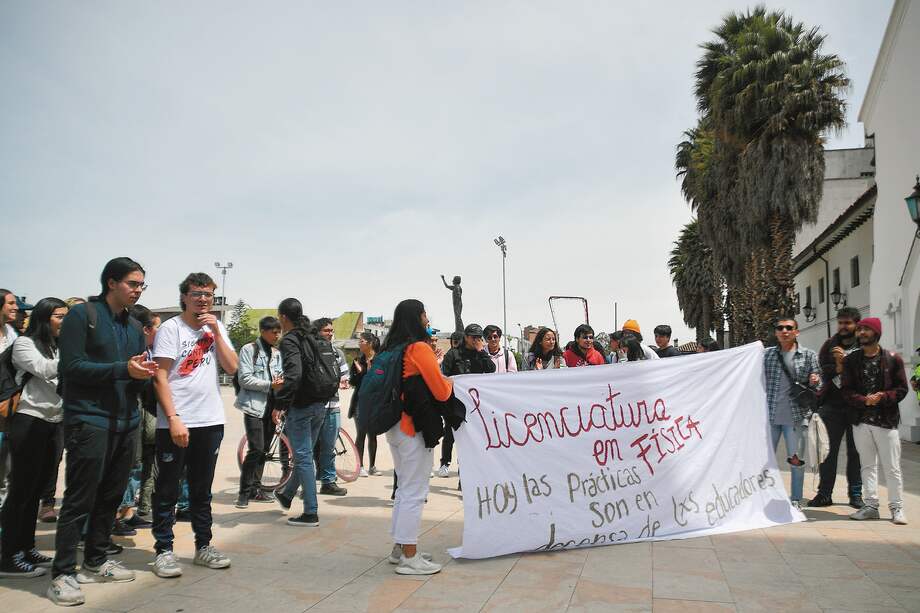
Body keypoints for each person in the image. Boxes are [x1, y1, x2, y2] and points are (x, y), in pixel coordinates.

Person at [48, 258, 155, 607]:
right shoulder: (84, 316)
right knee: (80, 498)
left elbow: (133, 372)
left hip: (126, 423)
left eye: (142, 285)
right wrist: (122, 369)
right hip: (89, 421)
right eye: (132, 283)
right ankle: (63, 572)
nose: (138, 290)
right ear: (111, 282)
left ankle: (96, 559)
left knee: (111, 496)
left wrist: (144, 374)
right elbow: (72, 367)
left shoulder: (134, 325)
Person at [151, 273, 237, 578]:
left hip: (211, 420)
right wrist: (173, 418)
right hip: (177, 422)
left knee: (202, 490)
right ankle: (163, 550)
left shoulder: (216, 327)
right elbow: (160, 376)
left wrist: (216, 331)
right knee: (167, 489)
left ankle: (204, 546)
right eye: (197, 293)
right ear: (184, 296)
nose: (203, 299)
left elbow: (232, 367)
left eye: (209, 294)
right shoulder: (170, 329)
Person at [0, 298, 68, 577]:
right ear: (44, 318)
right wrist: (75, 355)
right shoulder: (24, 344)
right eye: (59, 316)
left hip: (53, 423)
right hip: (29, 421)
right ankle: (7, 556)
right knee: (21, 491)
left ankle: (25, 548)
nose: (64, 321)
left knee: (36, 491)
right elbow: (43, 369)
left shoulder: (57, 346)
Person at [385, 299, 453, 575]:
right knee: (415, 492)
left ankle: (400, 548)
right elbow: (442, 392)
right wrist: (447, 380)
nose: (428, 318)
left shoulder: (392, 348)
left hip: (394, 427)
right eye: (425, 313)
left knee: (404, 489)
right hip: (412, 428)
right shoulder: (419, 348)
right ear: (418, 317)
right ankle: (409, 558)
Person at [842, 317, 909, 525]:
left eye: (866, 330)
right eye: (860, 329)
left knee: (892, 467)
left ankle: (897, 507)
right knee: (867, 466)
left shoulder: (892, 359)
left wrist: (882, 397)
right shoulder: (851, 360)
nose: (861, 333)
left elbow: (901, 389)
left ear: (876, 333)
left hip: (886, 421)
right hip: (861, 421)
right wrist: (864, 401)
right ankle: (870, 506)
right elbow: (846, 391)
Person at [272, 299, 333, 527]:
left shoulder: (290, 340)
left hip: (302, 406)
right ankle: (287, 495)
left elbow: (294, 375)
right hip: (320, 403)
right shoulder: (311, 335)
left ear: (283, 317)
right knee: (305, 455)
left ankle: (310, 512)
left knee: (304, 458)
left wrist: (280, 402)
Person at [37, 297, 87, 524]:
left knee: (76, 463)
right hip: (42, 412)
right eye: (63, 316)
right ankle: (47, 503)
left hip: (69, 409)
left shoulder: (80, 340)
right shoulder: (37, 343)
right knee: (51, 461)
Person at [809, 307, 864, 509]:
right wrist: (840, 366)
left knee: (856, 453)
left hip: (857, 408)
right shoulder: (829, 346)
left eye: (847, 323)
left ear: (856, 324)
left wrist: (844, 364)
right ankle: (824, 494)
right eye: (840, 322)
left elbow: (864, 377)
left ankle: (856, 495)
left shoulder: (865, 345)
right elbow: (829, 373)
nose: (843, 326)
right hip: (832, 406)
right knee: (827, 452)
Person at [763, 317, 821, 509]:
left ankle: (796, 499)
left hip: (796, 418)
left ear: (796, 332)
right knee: (765, 460)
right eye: (780, 328)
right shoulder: (767, 355)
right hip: (771, 417)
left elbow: (820, 381)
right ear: (776, 332)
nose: (784, 331)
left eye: (789, 328)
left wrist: (815, 379)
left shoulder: (809, 355)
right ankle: (763, 497)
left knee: (796, 461)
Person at [235, 316, 284, 508]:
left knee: (263, 450)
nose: (277, 335)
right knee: (255, 449)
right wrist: (270, 384)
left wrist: (279, 402)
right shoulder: (249, 350)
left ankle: (256, 489)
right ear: (263, 331)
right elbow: (244, 379)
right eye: (274, 332)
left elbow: (280, 379)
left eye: (279, 332)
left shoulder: (277, 353)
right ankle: (244, 493)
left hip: (272, 408)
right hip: (254, 407)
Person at [437, 323, 495, 478]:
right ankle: (445, 463)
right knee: (450, 433)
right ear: (466, 337)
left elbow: (491, 370)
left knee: (471, 439)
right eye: (473, 337)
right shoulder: (454, 354)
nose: (476, 340)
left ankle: (465, 472)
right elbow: (446, 376)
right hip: (455, 402)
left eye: (479, 337)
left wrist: (481, 352)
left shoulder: (481, 353)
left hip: (475, 404)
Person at [312, 317, 350, 497]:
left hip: (332, 405)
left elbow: (345, 375)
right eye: (326, 330)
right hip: (312, 406)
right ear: (317, 331)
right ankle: (306, 482)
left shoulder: (338, 353)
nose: (330, 333)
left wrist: (343, 381)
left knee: (328, 446)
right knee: (308, 447)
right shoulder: (309, 350)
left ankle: (328, 481)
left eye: (331, 330)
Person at [349, 332, 380, 477]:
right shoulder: (357, 360)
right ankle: (359, 465)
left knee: (373, 434)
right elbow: (353, 382)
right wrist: (362, 372)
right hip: (360, 403)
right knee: (361, 433)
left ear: (369, 343)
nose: (359, 344)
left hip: (375, 402)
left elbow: (381, 380)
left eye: (361, 341)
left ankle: (372, 466)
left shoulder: (380, 360)